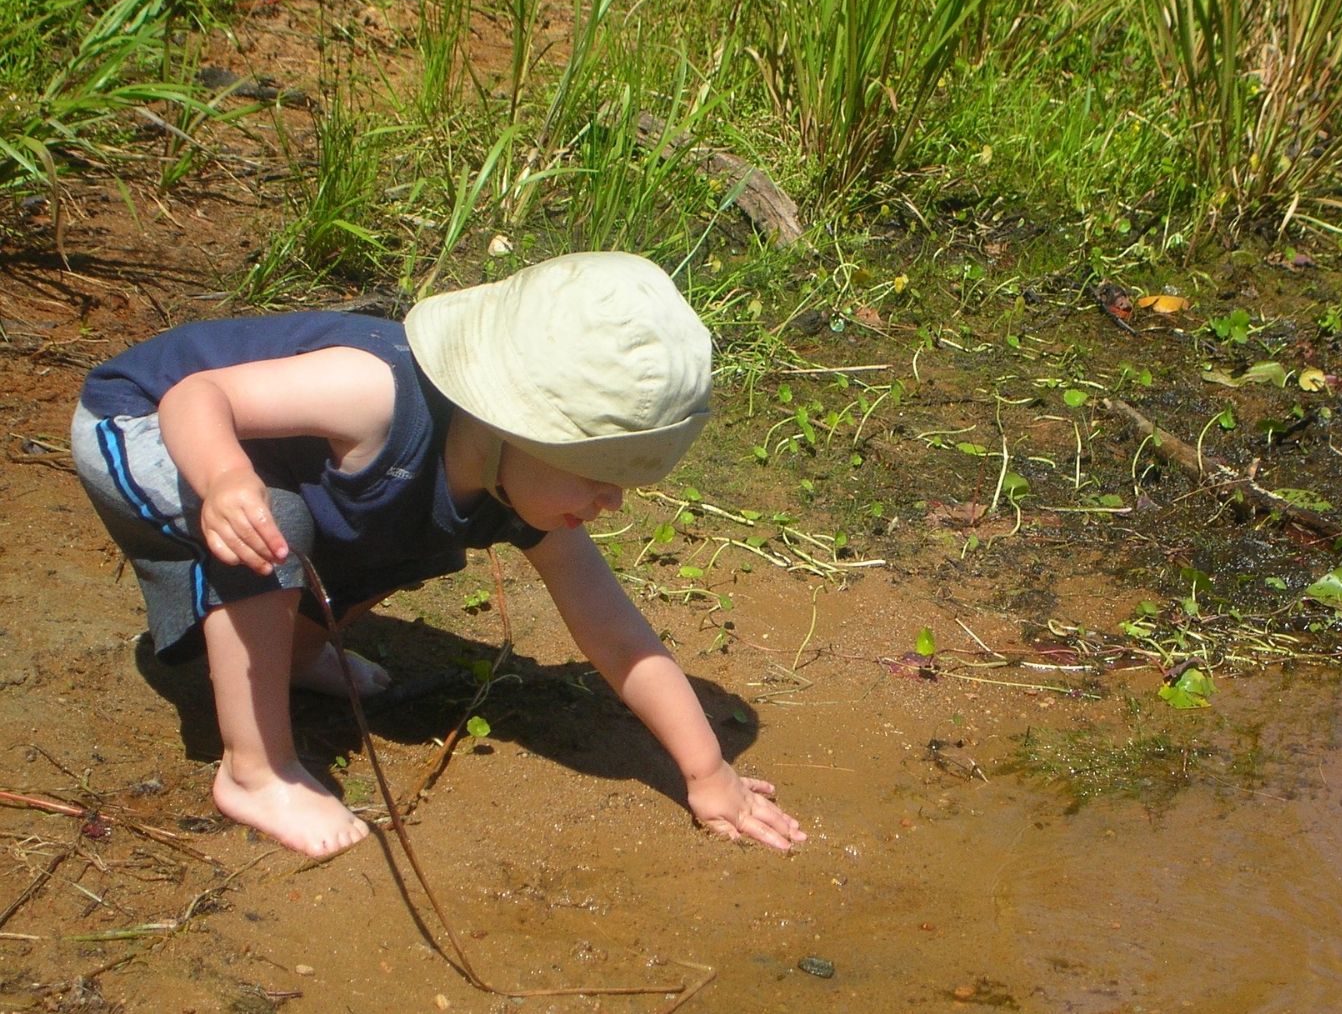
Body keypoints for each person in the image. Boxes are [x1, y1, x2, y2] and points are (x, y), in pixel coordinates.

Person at [71, 251, 806, 859]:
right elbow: (197, 399)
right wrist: (225, 480)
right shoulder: (375, 394)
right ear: (517, 427)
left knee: (393, 530)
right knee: (280, 518)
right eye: (600, 477)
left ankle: (286, 658)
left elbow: (617, 633)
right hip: (143, 424)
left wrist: (708, 772)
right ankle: (256, 770)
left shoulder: (515, 482)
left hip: (260, 457)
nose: (612, 504)